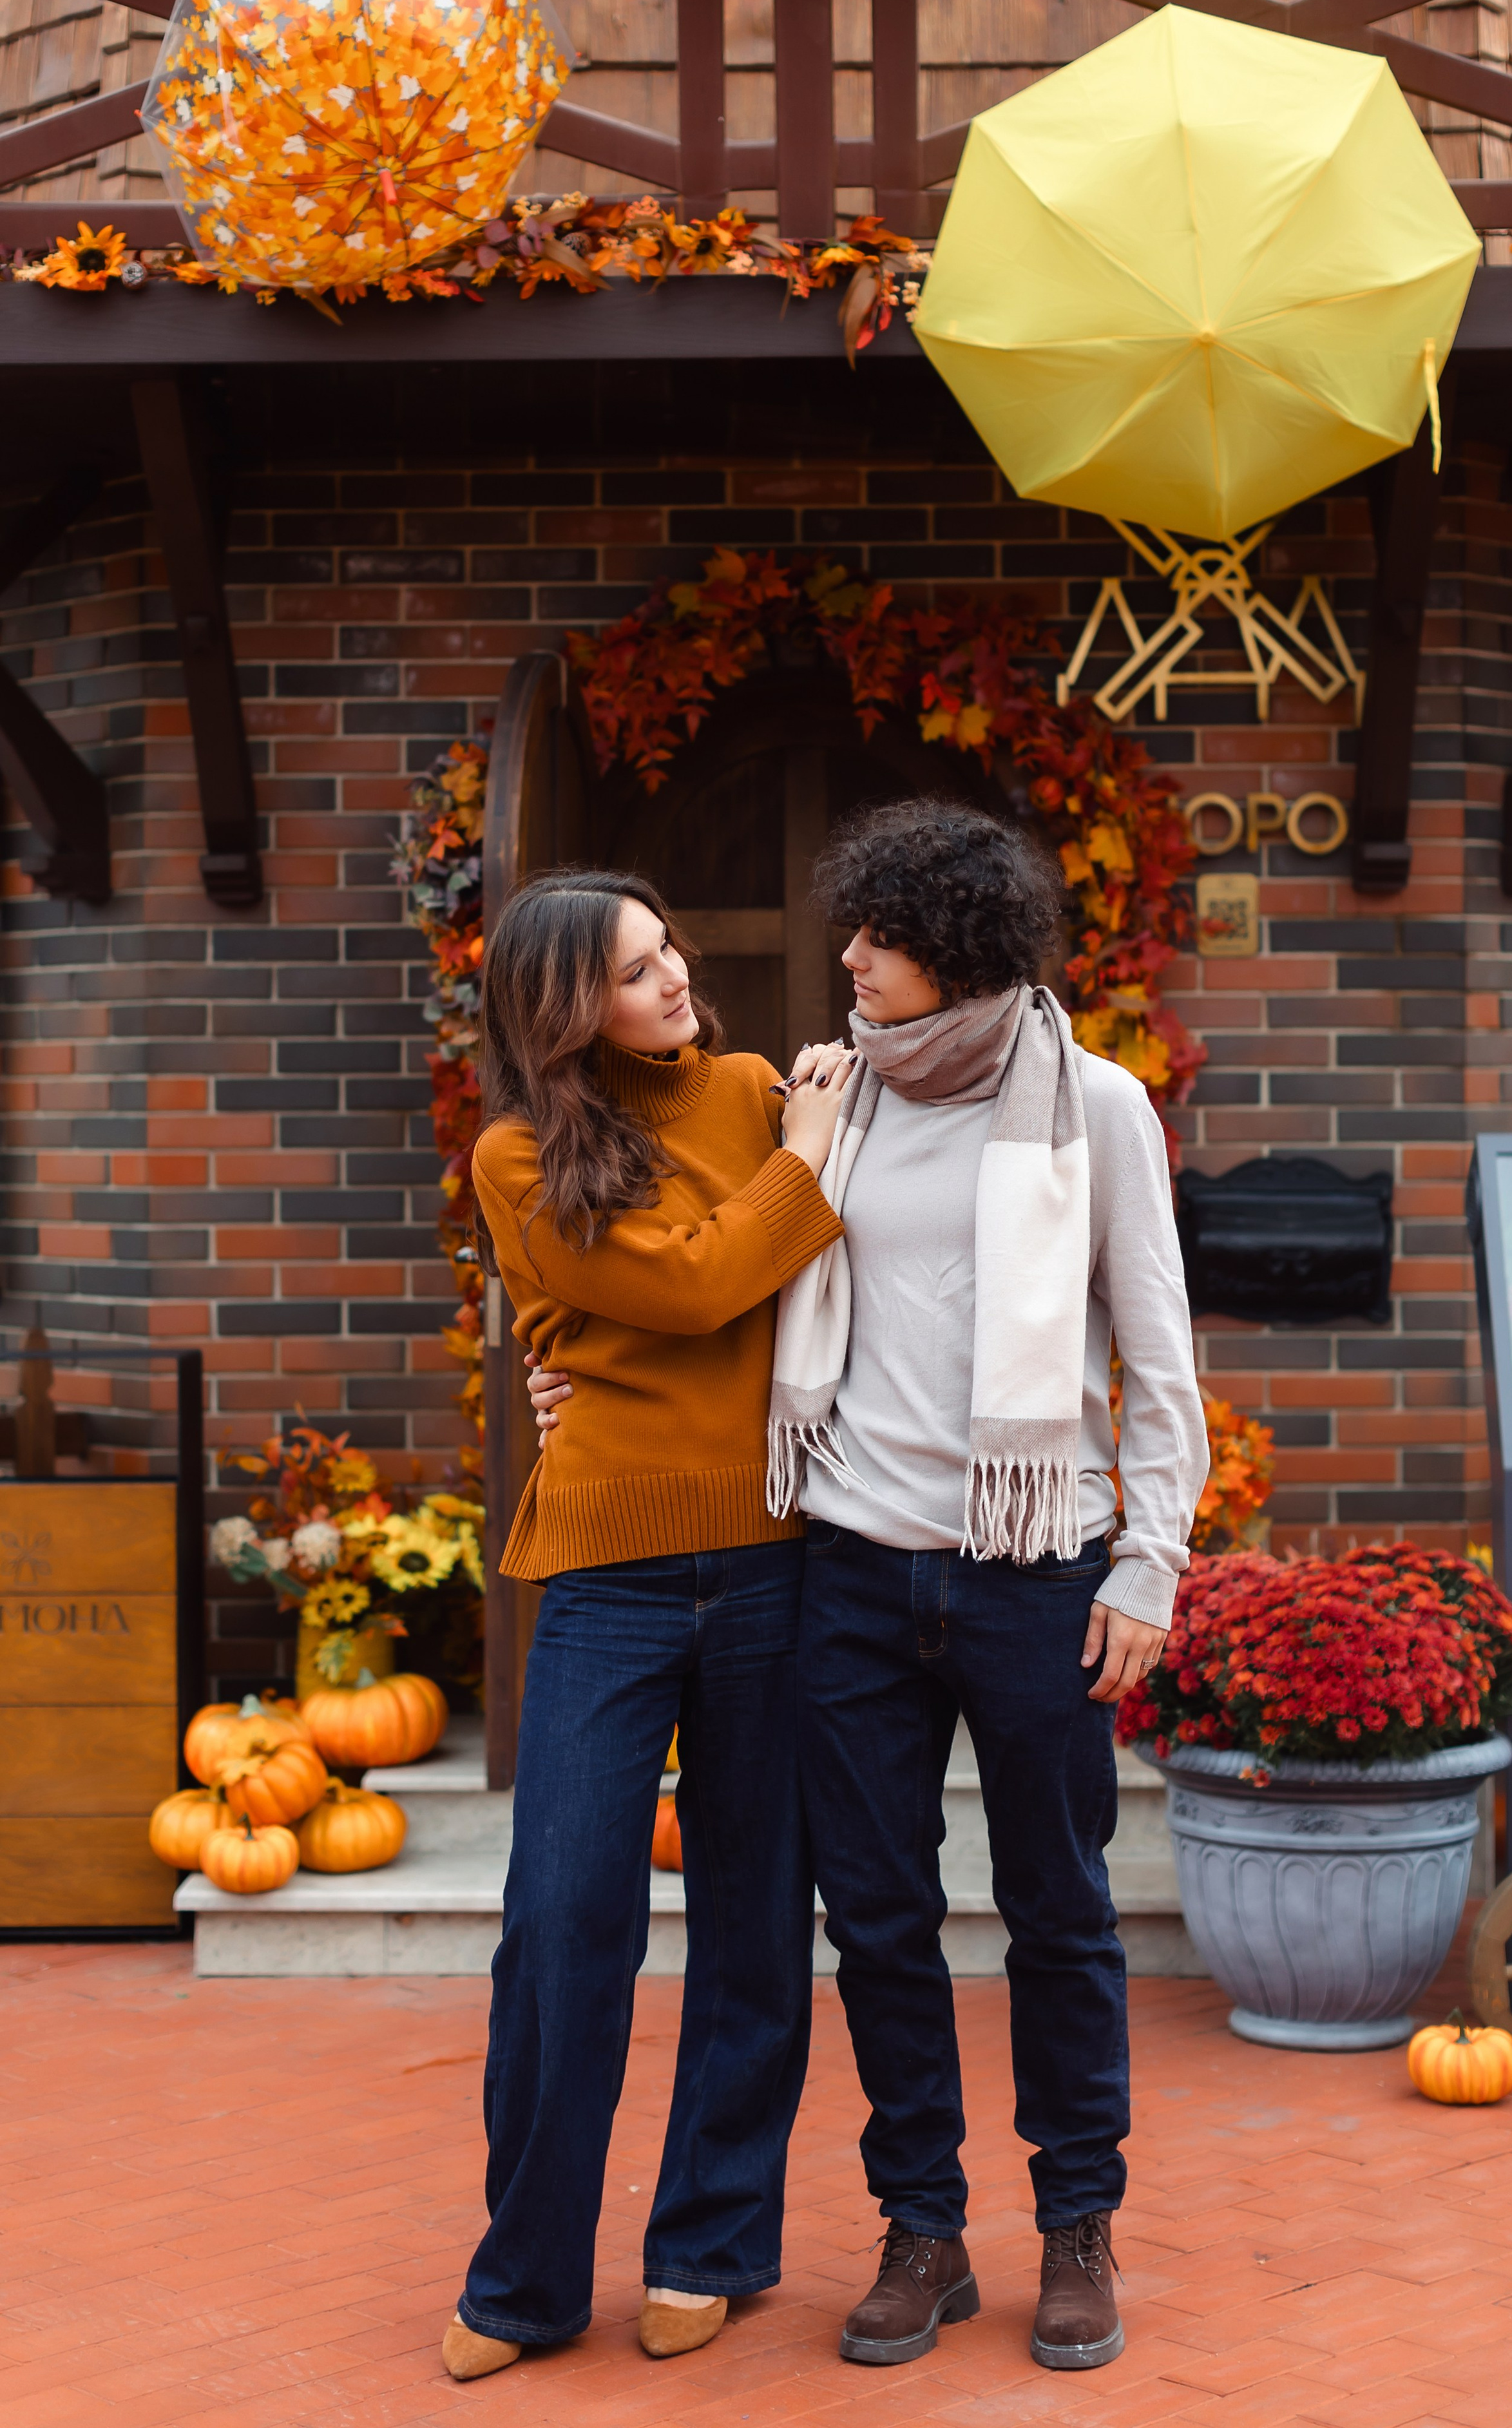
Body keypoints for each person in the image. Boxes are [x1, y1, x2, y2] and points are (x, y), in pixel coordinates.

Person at [768, 798, 1207, 2375]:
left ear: (954, 945)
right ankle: (922, 2230)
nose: (849, 959)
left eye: (876, 938)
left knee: (1058, 1913)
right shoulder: (830, 1107)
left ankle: (1076, 2225)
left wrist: (1146, 1560)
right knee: (877, 1918)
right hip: (854, 1567)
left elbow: (1157, 1359)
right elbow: (727, 1278)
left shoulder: (1095, 1106)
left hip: (1032, 1575)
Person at [443, 870, 851, 2384]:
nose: (674, 973)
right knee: (562, 1925)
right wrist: (796, 1177)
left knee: (754, 1920)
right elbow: (692, 1286)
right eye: (633, 966)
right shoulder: (515, 1151)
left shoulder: (754, 1092)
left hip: (773, 1564)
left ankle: (712, 2242)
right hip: (610, 1580)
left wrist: (787, 1166)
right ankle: (527, 2276)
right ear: (564, 1006)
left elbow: (799, 1281)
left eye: (667, 944)